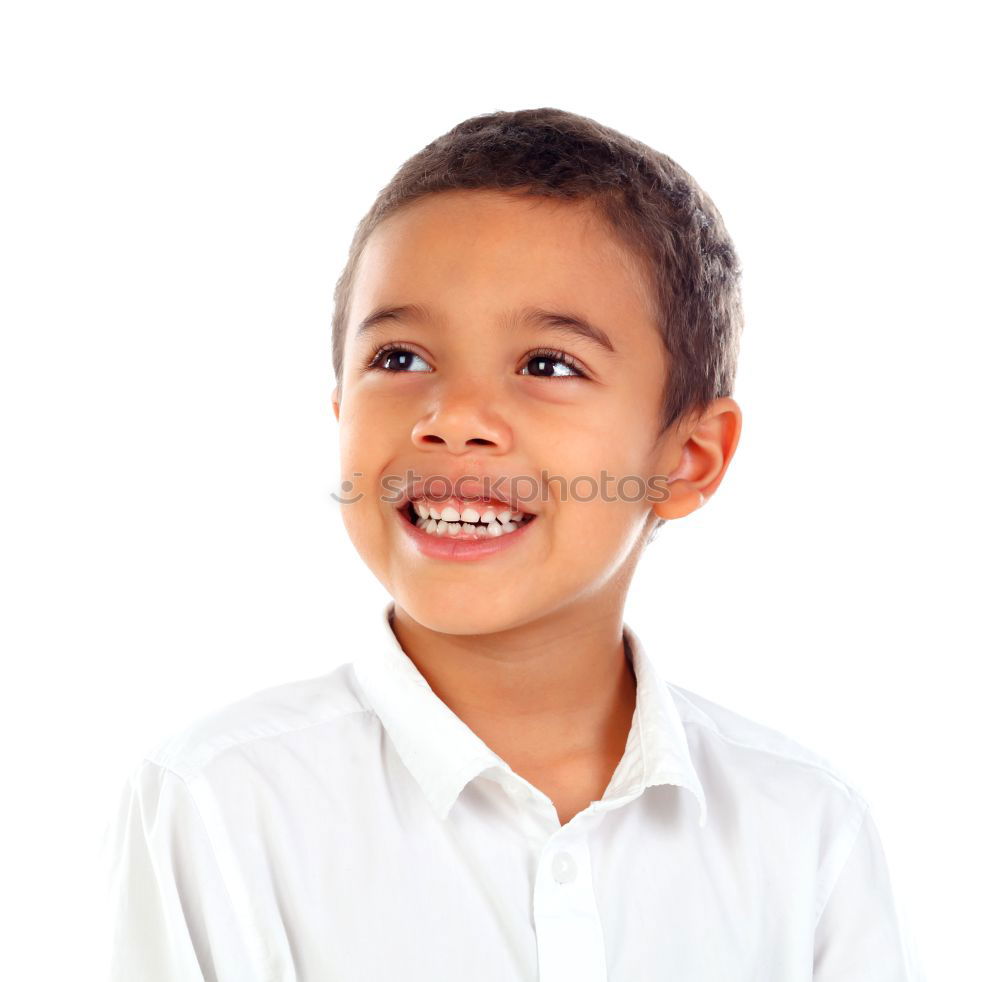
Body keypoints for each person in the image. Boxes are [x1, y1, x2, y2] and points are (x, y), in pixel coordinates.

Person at [103, 107, 926, 980]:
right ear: (339, 404)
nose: (452, 418)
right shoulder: (221, 802)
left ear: (687, 458)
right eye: (400, 358)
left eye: (548, 365)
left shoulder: (804, 828)